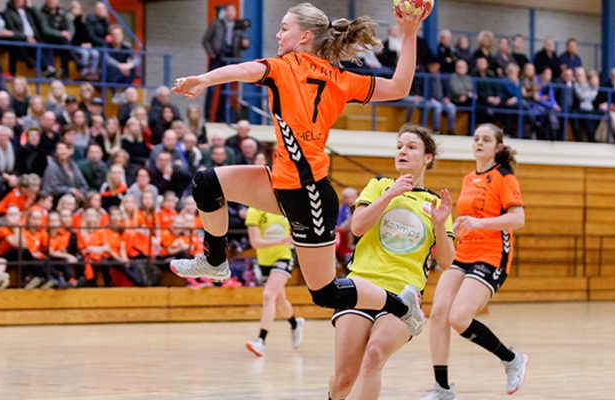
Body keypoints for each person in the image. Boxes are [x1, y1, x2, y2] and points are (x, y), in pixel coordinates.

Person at [170, 2, 432, 336]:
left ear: (305, 36)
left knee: (326, 293)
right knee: (207, 184)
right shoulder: (339, 78)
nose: (278, 35)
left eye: (284, 28)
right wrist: (409, 35)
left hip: (310, 196)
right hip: (281, 181)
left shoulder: (286, 68)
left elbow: (243, 70)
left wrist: (203, 80)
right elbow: (399, 87)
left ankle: (402, 305)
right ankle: (215, 261)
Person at [330, 124, 454, 400]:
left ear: (428, 157)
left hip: (403, 296)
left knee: (374, 356)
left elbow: (447, 262)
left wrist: (439, 223)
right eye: (399, 146)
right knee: (343, 379)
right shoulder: (380, 185)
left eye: (411, 147)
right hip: (361, 286)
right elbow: (357, 227)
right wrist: (390, 195)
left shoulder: (435, 203)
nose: (402, 151)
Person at [423, 124, 528, 400]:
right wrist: (458, 226)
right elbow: (470, 217)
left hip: (492, 255)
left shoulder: (504, 177)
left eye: (486, 139)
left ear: (498, 147)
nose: (479, 142)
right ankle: (442, 389)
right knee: (438, 314)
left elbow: (518, 219)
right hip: (464, 252)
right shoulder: (469, 178)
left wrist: (480, 223)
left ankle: (511, 359)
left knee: (459, 317)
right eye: (476, 138)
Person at [243, 157, 304, 357]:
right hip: (265, 261)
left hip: (283, 257)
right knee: (280, 300)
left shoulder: (286, 207)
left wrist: (293, 239)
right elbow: (255, 243)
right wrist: (281, 240)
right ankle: (295, 323)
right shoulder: (254, 211)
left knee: (268, 295)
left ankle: (261, 341)